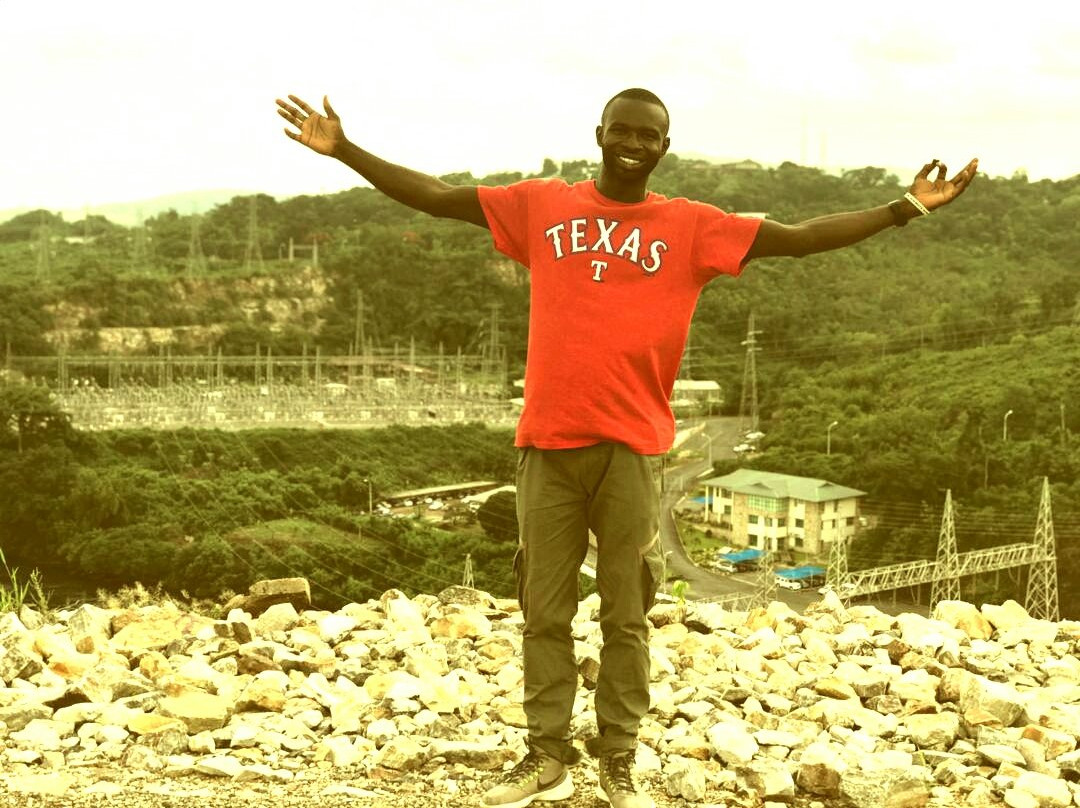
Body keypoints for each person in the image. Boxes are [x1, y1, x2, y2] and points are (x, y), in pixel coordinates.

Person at [276, 89, 977, 808]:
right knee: (542, 610)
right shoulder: (540, 206)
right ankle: (545, 754)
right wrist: (347, 150)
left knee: (626, 614)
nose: (634, 142)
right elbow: (435, 195)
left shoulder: (692, 227)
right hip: (548, 445)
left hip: (631, 451)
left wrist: (907, 207)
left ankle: (618, 756)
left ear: (663, 148)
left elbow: (798, 235)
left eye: (649, 135)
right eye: (624, 130)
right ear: (600, 134)